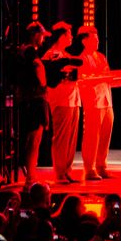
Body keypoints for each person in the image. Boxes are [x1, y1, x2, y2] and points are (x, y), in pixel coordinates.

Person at [73, 24, 121, 182]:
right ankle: (90, 168)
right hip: (93, 102)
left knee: (105, 135)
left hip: (106, 101)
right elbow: (82, 81)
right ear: (84, 41)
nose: (97, 42)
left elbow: (108, 79)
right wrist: (99, 77)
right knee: (92, 137)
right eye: (94, 39)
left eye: (98, 39)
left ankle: (102, 166)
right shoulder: (81, 59)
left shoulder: (100, 56)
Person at [41, 22, 83, 184]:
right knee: (61, 137)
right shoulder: (52, 54)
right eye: (69, 35)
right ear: (61, 36)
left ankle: (67, 170)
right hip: (61, 100)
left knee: (72, 138)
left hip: (73, 99)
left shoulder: (66, 54)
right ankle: (59, 172)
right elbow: (51, 76)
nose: (71, 37)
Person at [16, 22, 50, 187]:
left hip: (29, 99)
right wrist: (44, 83)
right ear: (36, 35)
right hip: (35, 99)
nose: (43, 39)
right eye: (42, 36)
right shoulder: (30, 50)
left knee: (33, 139)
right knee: (34, 139)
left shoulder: (24, 50)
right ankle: (31, 177)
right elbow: (37, 66)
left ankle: (31, 175)